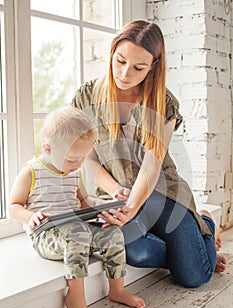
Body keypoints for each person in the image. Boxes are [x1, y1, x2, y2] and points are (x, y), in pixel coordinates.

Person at [71, 19, 227, 289]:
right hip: (118, 195)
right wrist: (117, 190)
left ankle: (204, 223)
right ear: (111, 53)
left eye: (138, 67)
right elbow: (88, 158)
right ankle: (188, 247)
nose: (124, 73)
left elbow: (152, 166)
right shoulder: (86, 97)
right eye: (120, 61)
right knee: (136, 252)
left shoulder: (162, 102)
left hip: (162, 193)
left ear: (153, 66)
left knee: (195, 276)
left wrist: (132, 207)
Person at [8, 107, 146, 308]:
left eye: (83, 158)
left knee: (113, 232)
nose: (79, 164)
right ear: (48, 149)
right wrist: (31, 216)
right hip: (46, 236)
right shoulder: (31, 172)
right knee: (78, 233)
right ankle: (76, 297)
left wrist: (104, 206)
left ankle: (117, 289)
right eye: (73, 159)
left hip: (77, 232)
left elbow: (83, 202)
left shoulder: (75, 172)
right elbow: (13, 206)